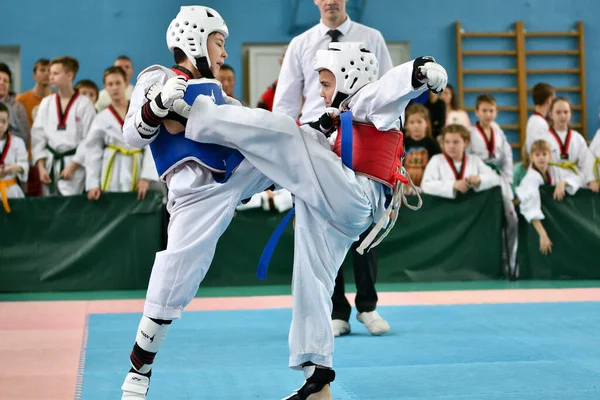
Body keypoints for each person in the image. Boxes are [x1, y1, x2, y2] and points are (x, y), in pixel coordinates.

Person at [184, 41, 447, 399]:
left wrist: (421, 69)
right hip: (340, 206)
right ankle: (318, 374)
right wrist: (326, 126)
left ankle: (197, 116)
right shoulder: (346, 111)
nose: (320, 93)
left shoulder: (368, 98)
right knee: (310, 280)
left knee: (291, 134)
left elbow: (392, 86)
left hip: (357, 196)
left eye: (325, 84)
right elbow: (335, 141)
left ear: (348, 76)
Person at [118, 6, 271, 399]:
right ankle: (139, 369)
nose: (224, 54)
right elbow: (131, 136)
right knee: (175, 274)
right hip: (193, 195)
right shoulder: (158, 77)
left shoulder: (224, 97)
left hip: (237, 176)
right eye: (219, 43)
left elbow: (250, 132)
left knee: (293, 142)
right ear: (195, 41)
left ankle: (344, 152)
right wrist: (157, 104)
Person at [273, 0, 395, 336]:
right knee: (326, 227)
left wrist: (391, 147)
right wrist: (283, 156)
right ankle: (336, 309)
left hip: (365, 138)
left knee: (368, 222)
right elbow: (284, 104)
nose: (330, 1)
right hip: (319, 142)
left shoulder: (372, 38)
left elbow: (390, 93)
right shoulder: (301, 44)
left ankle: (367, 306)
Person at [84, 66, 157, 201]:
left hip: (137, 168)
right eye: (110, 84)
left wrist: (146, 177)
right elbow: (92, 151)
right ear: (105, 87)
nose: (114, 88)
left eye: (118, 83)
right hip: (111, 169)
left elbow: (150, 144)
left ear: (126, 83)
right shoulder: (101, 118)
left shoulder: (139, 111)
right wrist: (92, 184)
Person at [466, 94, 517, 275]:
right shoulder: (471, 134)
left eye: (491, 111)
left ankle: (511, 261)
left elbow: (507, 158)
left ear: (496, 112)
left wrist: (508, 181)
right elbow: (468, 159)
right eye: (484, 111)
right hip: (480, 182)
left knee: (512, 220)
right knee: (489, 223)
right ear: (477, 112)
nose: (488, 114)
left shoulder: (498, 132)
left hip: (500, 182)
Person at [31, 56, 96, 196]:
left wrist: (72, 167)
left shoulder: (85, 104)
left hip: (74, 165)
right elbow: (38, 137)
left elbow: (89, 140)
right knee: (49, 209)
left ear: (69, 75)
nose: (50, 77)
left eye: (55, 73)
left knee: (71, 209)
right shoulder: (46, 103)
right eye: (50, 73)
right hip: (50, 164)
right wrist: (41, 168)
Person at [516, 139, 580, 255]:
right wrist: (543, 235)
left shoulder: (555, 170)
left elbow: (578, 178)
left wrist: (563, 182)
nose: (541, 158)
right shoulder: (530, 180)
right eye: (537, 155)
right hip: (535, 225)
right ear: (531, 158)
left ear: (550, 156)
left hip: (554, 221)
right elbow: (531, 210)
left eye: (544, 154)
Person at [0, 103, 28, 213]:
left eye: (3, 121)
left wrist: (16, 168)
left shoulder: (17, 142)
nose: (1, 125)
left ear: (8, 122)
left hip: (12, 190)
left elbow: (24, 163)